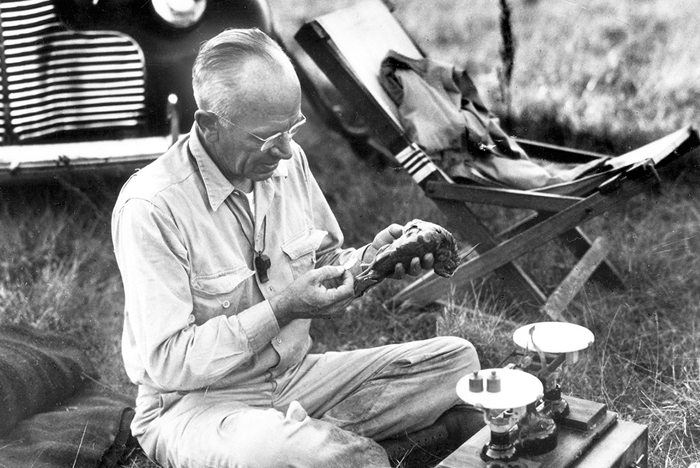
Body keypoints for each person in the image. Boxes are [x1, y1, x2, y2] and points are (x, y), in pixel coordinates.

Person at [111, 28, 480, 468]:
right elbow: (169, 362)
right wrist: (282, 309)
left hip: (294, 378)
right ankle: (339, 449)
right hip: (195, 405)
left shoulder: (288, 163)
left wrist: (370, 262)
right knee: (290, 455)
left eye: (294, 127)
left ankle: (319, 445)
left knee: (457, 361)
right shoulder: (152, 207)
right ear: (209, 125)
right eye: (270, 137)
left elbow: (324, 263)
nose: (288, 150)